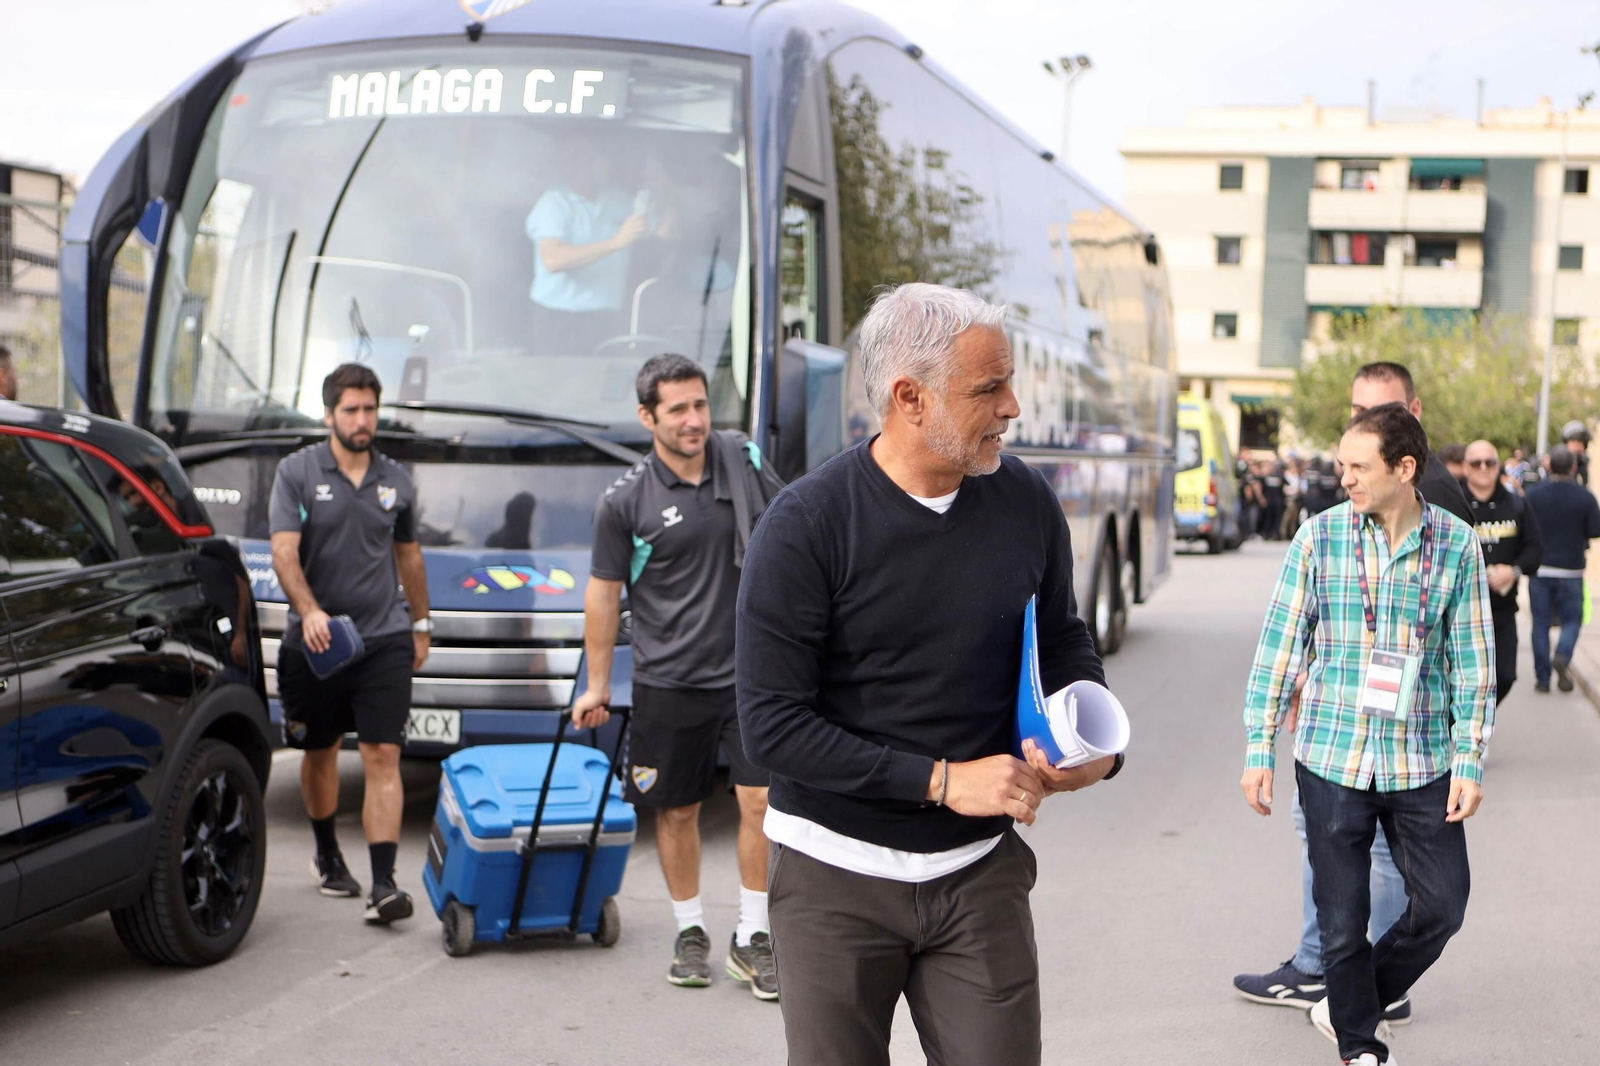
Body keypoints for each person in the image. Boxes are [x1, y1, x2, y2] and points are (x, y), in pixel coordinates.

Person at [736, 283, 1120, 1066]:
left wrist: (1092, 742)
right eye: (988, 388)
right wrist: (943, 781)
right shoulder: (806, 526)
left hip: (979, 874)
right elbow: (772, 727)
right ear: (909, 398)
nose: (1013, 406)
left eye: (1009, 382)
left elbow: (1063, 639)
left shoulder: (1026, 501)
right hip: (833, 874)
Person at [1241, 402, 1493, 1066]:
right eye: (1339, 465)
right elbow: (1279, 647)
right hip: (1331, 754)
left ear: (1404, 468)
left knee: (1442, 906)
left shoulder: (1457, 545)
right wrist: (1258, 746)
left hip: (1423, 760)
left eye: (1358, 466)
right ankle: (1360, 1046)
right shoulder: (1318, 537)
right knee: (1342, 921)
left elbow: (1471, 663)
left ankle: (1347, 1003)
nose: (1343, 477)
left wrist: (1469, 758)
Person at [572, 353, 785, 999]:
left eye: (700, 405)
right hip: (669, 680)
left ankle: (753, 936)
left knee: (762, 804)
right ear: (648, 418)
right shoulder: (624, 502)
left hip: (751, 677)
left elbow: (792, 526)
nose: (695, 420)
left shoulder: (741, 458)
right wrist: (600, 684)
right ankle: (690, 931)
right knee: (677, 811)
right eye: (679, 410)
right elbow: (604, 594)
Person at [269, 363, 431, 925]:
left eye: (370, 410)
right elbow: (284, 553)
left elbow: (408, 555)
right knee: (319, 752)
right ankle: (326, 851)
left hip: (382, 637)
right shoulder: (296, 473)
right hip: (314, 643)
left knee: (383, 753)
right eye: (351, 411)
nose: (363, 421)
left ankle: (384, 884)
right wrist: (309, 611)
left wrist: (421, 623)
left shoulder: (397, 479)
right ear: (329, 414)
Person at [525, 139, 676, 354]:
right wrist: (616, 242)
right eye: (566, 158)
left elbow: (662, 235)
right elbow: (553, 260)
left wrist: (671, 196)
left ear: (596, 160)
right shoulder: (553, 203)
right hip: (556, 316)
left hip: (605, 315)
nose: (572, 164)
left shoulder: (619, 201)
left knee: (601, 379)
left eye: (580, 157)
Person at [1461, 440, 1542, 704]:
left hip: (1503, 609)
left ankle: (1483, 718)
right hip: (1462, 610)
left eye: (1490, 462)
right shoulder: (1454, 504)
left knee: (1505, 675)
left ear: (1499, 466)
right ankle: (1465, 729)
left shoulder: (1517, 504)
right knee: (1462, 679)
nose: (1483, 468)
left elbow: (1534, 547)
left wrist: (1514, 571)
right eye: (1476, 463)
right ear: (1466, 467)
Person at [1525, 447, 1600, 693]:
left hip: (1541, 569)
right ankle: (1563, 655)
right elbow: (1595, 530)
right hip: (1571, 570)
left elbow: (1524, 528)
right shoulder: (1584, 496)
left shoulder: (1533, 495)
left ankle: (1543, 679)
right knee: (1572, 621)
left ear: (1548, 466)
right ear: (1573, 468)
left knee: (1541, 624)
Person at [1561, 420, 1591, 487]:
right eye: (1574, 442)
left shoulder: (1582, 464)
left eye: (1581, 443)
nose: (1577, 447)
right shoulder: (1558, 464)